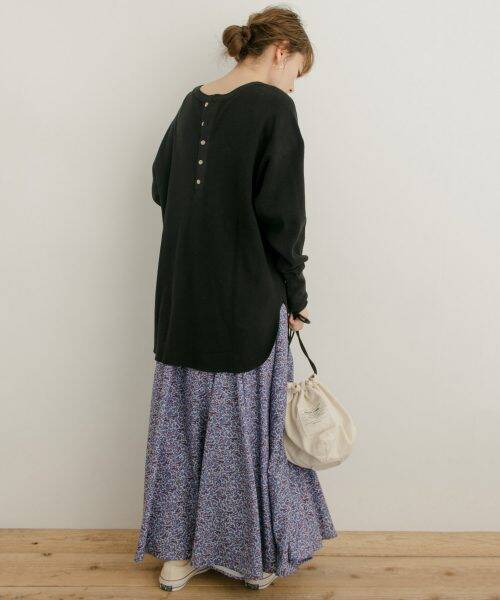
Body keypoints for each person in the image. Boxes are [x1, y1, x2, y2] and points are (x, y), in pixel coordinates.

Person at [134, 5, 337, 591]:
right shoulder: (273, 106)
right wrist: (295, 292)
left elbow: (160, 184)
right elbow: (284, 216)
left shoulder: (192, 101)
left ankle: (178, 554)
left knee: (181, 423)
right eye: (296, 71)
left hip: (182, 295)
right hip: (246, 296)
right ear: (281, 51)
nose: (293, 85)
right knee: (244, 424)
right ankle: (247, 554)